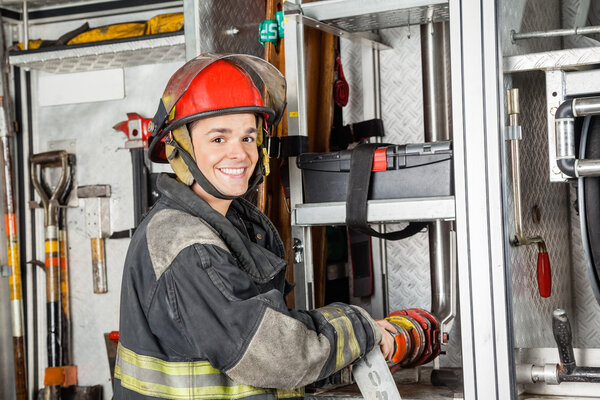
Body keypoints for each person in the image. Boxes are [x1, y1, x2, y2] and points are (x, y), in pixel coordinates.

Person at [114, 53, 395, 400]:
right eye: (219, 138)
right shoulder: (187, 247)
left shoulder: (229, 227)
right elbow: (281, 357)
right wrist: (360, 326)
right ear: (181, 147)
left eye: (248, 137)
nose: (239, 153)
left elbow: (263, 331)